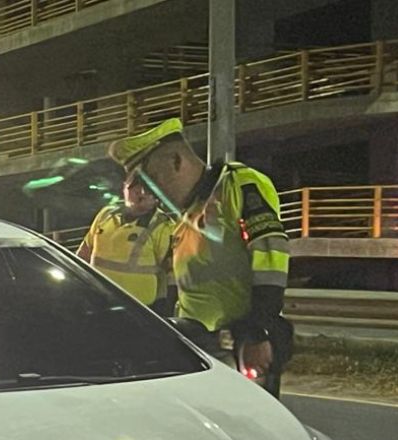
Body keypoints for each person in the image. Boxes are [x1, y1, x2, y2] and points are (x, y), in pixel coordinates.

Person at [107, 118, 293, 395]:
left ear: (176, 161)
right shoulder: (186, 217)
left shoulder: (239, 184)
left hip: (240, 346)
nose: (150, 192)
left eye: (153, 179)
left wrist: (257, 333)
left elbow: (271, 255)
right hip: (201, 349)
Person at [75, 174, 176, 316]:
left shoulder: (164, 226)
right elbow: (82, 255)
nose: (141, 193)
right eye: (135, 187)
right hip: (97, 305)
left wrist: (167, 313)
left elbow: (172, 276)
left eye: (147, 189)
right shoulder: (105, 215)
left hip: (141, 311)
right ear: (124, 188)